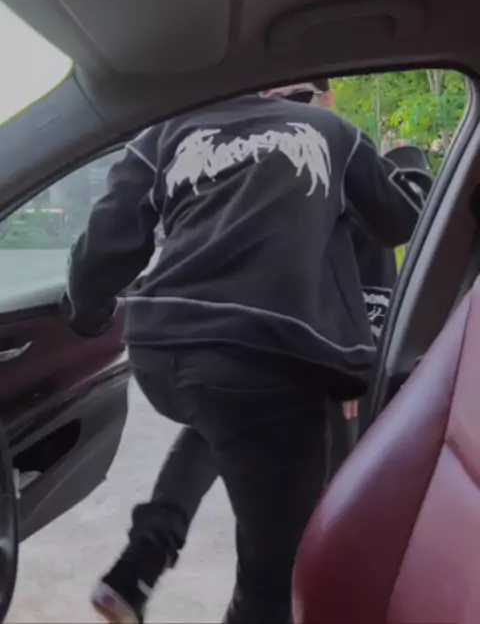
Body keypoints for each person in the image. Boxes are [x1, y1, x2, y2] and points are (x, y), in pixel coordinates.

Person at [64, 90, 430, 624]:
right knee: (275, 582)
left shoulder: (167, 129)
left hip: (164, 347)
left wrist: (88, 314)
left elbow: (105, 240)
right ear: (321, 96)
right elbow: (401, 221)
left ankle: (142, 560)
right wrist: (410, 163)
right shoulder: (331, 134)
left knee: (221, 422)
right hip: (270, 355)